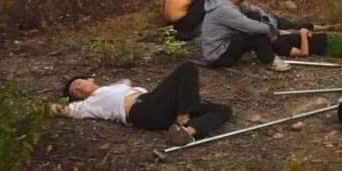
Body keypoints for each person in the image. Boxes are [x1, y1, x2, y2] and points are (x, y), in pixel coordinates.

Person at [51, 62, 232, 146]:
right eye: (74, 91)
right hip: (143, 110)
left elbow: (126, 81)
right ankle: (184, 118)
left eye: (78, 83)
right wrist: (30, 109)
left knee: (223, 110)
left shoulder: (114, 87)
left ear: (90, 79)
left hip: (159, 108)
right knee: (187, 68)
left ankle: (187, 132)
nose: (78, 88)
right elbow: (61, 110)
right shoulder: (88, 104)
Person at [201, 0, 296, 71]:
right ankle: (270, 61)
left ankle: (260, 50)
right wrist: (271, 30)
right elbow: (252, 27)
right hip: (217, 56)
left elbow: (254, 10)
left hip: (223, 44)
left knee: (253, 15)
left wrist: (268, 22)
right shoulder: (225, 10)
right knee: (253, 33)